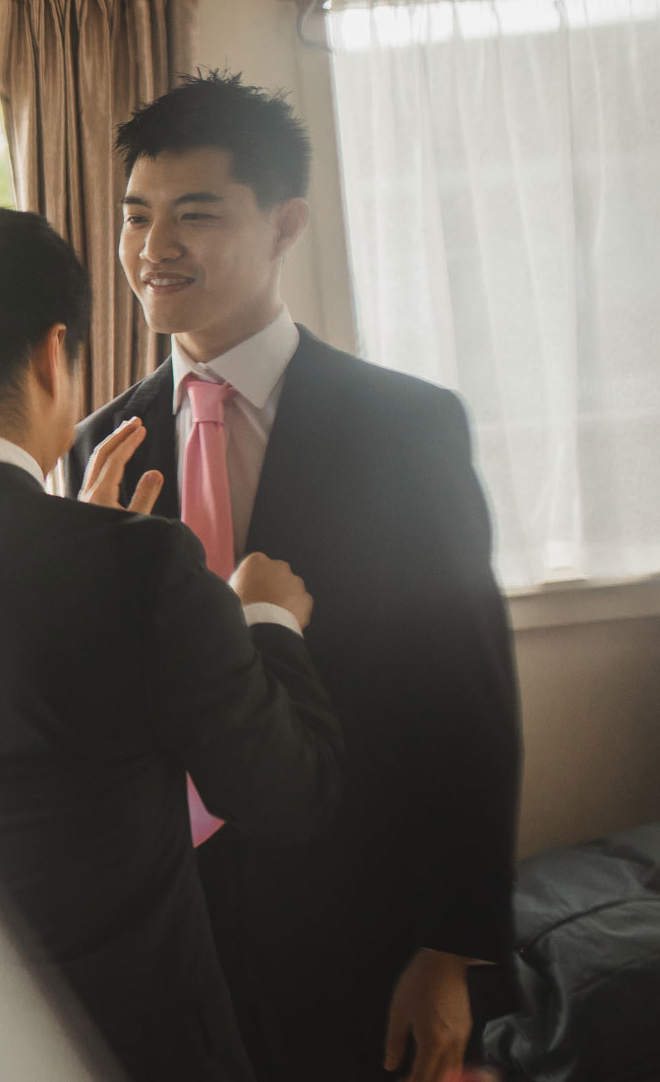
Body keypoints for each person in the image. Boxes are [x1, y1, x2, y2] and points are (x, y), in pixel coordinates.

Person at [69, 72, 521, 1082]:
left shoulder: (403, 428)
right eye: (135, 216)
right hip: (171, 930)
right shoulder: (105, 444)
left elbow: (467, 698)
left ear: (284, 224)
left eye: (195, 214)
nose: (152, 248)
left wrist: (448, 948)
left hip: (356, 912)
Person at [0, 205, 345, 1082]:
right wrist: (264, 621)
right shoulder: (144, 567)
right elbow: (287, 792)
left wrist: (86, 550)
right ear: (53, 357)